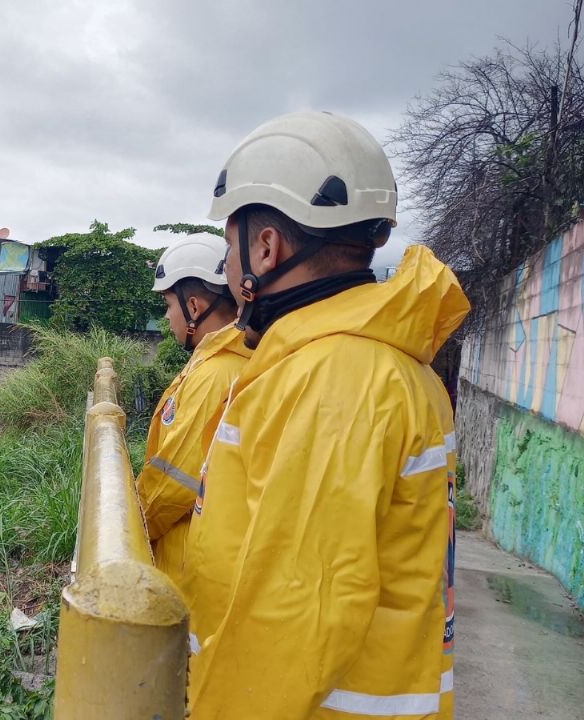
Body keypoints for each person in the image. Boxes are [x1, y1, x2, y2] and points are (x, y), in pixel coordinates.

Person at [184, 111, 470, 719]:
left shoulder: (334, 381)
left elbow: (292, 615)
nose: (228, 273)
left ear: (265, 246)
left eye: (230, 246)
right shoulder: (385, 364)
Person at [135, 233, 248, 591]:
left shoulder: (216, 374)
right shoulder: (217, 361)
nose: (167, 318)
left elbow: (176, 479)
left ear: (194, 307)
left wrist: (131, 529)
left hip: (188, 562)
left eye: (169, 305)